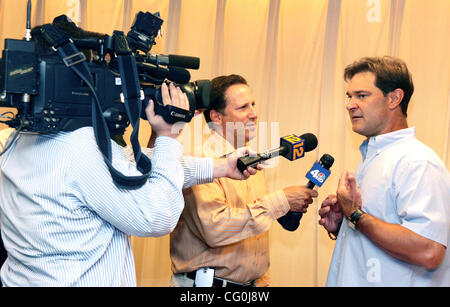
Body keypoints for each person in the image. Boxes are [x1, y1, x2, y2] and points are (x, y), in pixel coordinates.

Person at [0, 23, 258, 287]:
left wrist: (222, 167)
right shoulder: (78, 149)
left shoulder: (19, 138)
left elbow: (131, 165)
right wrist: (168, 137)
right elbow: (159, 215)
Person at [165, 74, 318, 287]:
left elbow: (251, 222)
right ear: (217, 117)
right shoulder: (200, 164)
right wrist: (280, 200)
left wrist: (287, 207)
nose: (254, 114)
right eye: (243, 107)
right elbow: (215, 230)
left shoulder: (252, 159)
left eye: (253, 105)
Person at [319, 56, 450, 286]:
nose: (350, 104)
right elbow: (378, 234)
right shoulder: (375, 156)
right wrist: (343, 225)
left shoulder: (417, 162)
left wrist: (356, 216)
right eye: (349, 97)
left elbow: (429, 250)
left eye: (361, 95)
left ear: (394, 98)